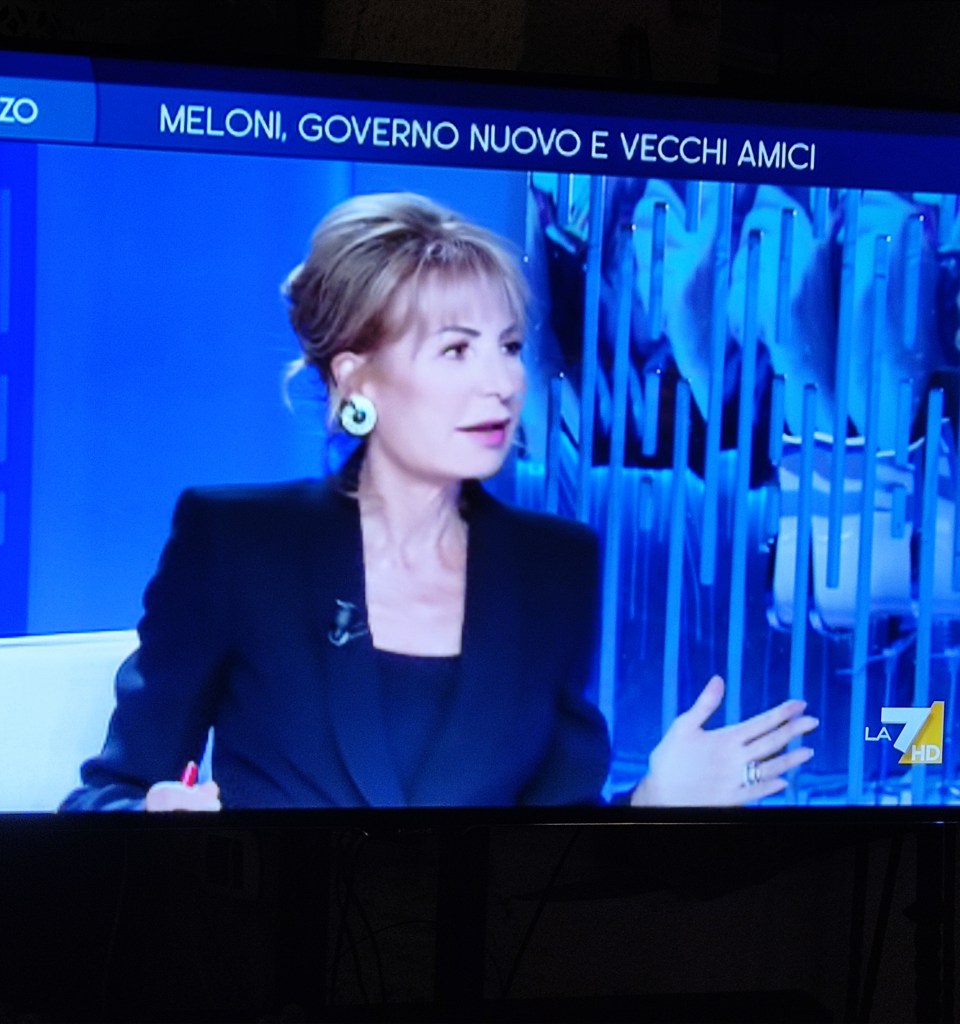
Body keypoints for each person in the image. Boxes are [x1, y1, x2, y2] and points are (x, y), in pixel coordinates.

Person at [61, 192, 817, 812]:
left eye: (510, 347)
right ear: (356, 378)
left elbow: (556, 854)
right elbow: (105, 796)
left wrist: (654, 803)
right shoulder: (237, 542)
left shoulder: (554, 565)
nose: (504, 383)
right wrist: (154, 820)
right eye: (457, 349)